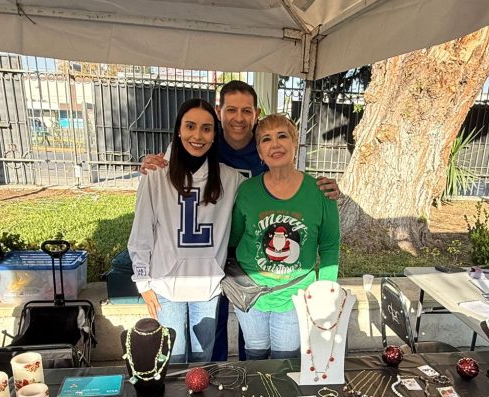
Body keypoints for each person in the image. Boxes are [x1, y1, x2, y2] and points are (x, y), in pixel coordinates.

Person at [139, 80, 340, 362]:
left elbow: (294, 189)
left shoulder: (265, 154)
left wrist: (326, 190)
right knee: (215, 334)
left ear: (256, 114)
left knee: (257, 348)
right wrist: (152, 163)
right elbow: (178, 162)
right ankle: (219, 379)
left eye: (246, 111)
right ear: (219, 112)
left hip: (258, 274)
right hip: (218, 263)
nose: (238, 118)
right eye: (231, 110)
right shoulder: (207, 141)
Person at [128, 98, 244, 364]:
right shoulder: (155, 175)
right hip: (165, 287)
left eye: (206, 128)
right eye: (190, 126)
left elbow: (269, 190)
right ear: (178, 130)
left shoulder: (230, 178)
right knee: (173, 361)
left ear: (214, 135)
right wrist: (143, 282)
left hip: (207, 287)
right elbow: (142, 232)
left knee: (202, 363)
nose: (197, 135)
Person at [229, 114, 340, 359]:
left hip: (294, 296)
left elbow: (330, 246)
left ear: (295, 143)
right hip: (251, 295)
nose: (275, 144)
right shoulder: (247, 190)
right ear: (259, 151)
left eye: (282, 136)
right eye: (266, 139)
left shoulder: (321, 191)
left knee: (285, 362)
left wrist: (325, 291)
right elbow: (234, 239)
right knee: (255, 357)